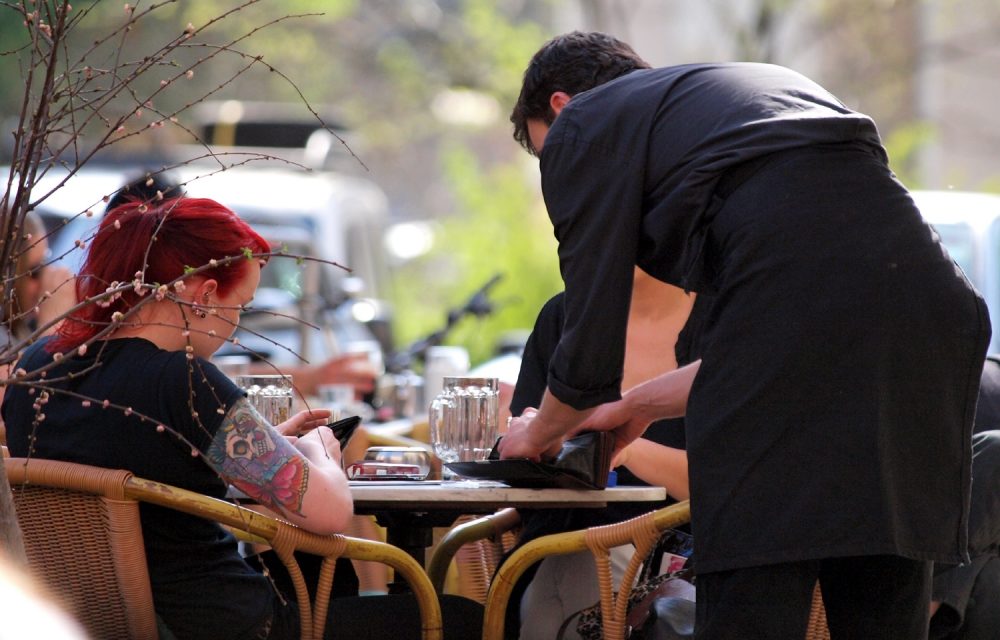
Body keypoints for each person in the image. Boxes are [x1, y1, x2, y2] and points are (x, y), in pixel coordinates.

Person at [499, 31, 990, 638]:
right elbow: (777, 339)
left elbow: (590, 323)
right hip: (932, 308)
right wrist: (633, 409)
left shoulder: (587, 124)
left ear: (561, 107)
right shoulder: (742, 102)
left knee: (756, 583)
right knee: (879, 573)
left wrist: (538, 431)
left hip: (819, 314)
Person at [2, 197, 481, 639]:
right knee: (460, 618)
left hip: (88, 620)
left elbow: (141, 454)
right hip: (230, 625)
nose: (235, 329)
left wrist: (268, 443)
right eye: (241, 308)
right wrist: (317, 451)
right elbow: (331, 510)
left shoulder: (35, 369)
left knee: (327, 581)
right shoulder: (183, 381)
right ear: (207, 294)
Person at [510, 268, 703, 640]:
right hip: (562, 540)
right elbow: (520, 462)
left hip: (683, 563)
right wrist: (538, 443)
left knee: (576, 574)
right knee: (575, 564)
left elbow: (735, 480)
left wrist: (625, 449)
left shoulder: (723, 321)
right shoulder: (564, 317)